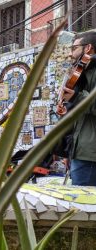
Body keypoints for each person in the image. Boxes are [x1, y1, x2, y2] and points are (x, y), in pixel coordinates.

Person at [56, 31, 96, 186]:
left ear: (88, 48)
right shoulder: (81, 73)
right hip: (80, 152)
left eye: (74, 48)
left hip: (90, 154)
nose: (71, 54)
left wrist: (76, 97)